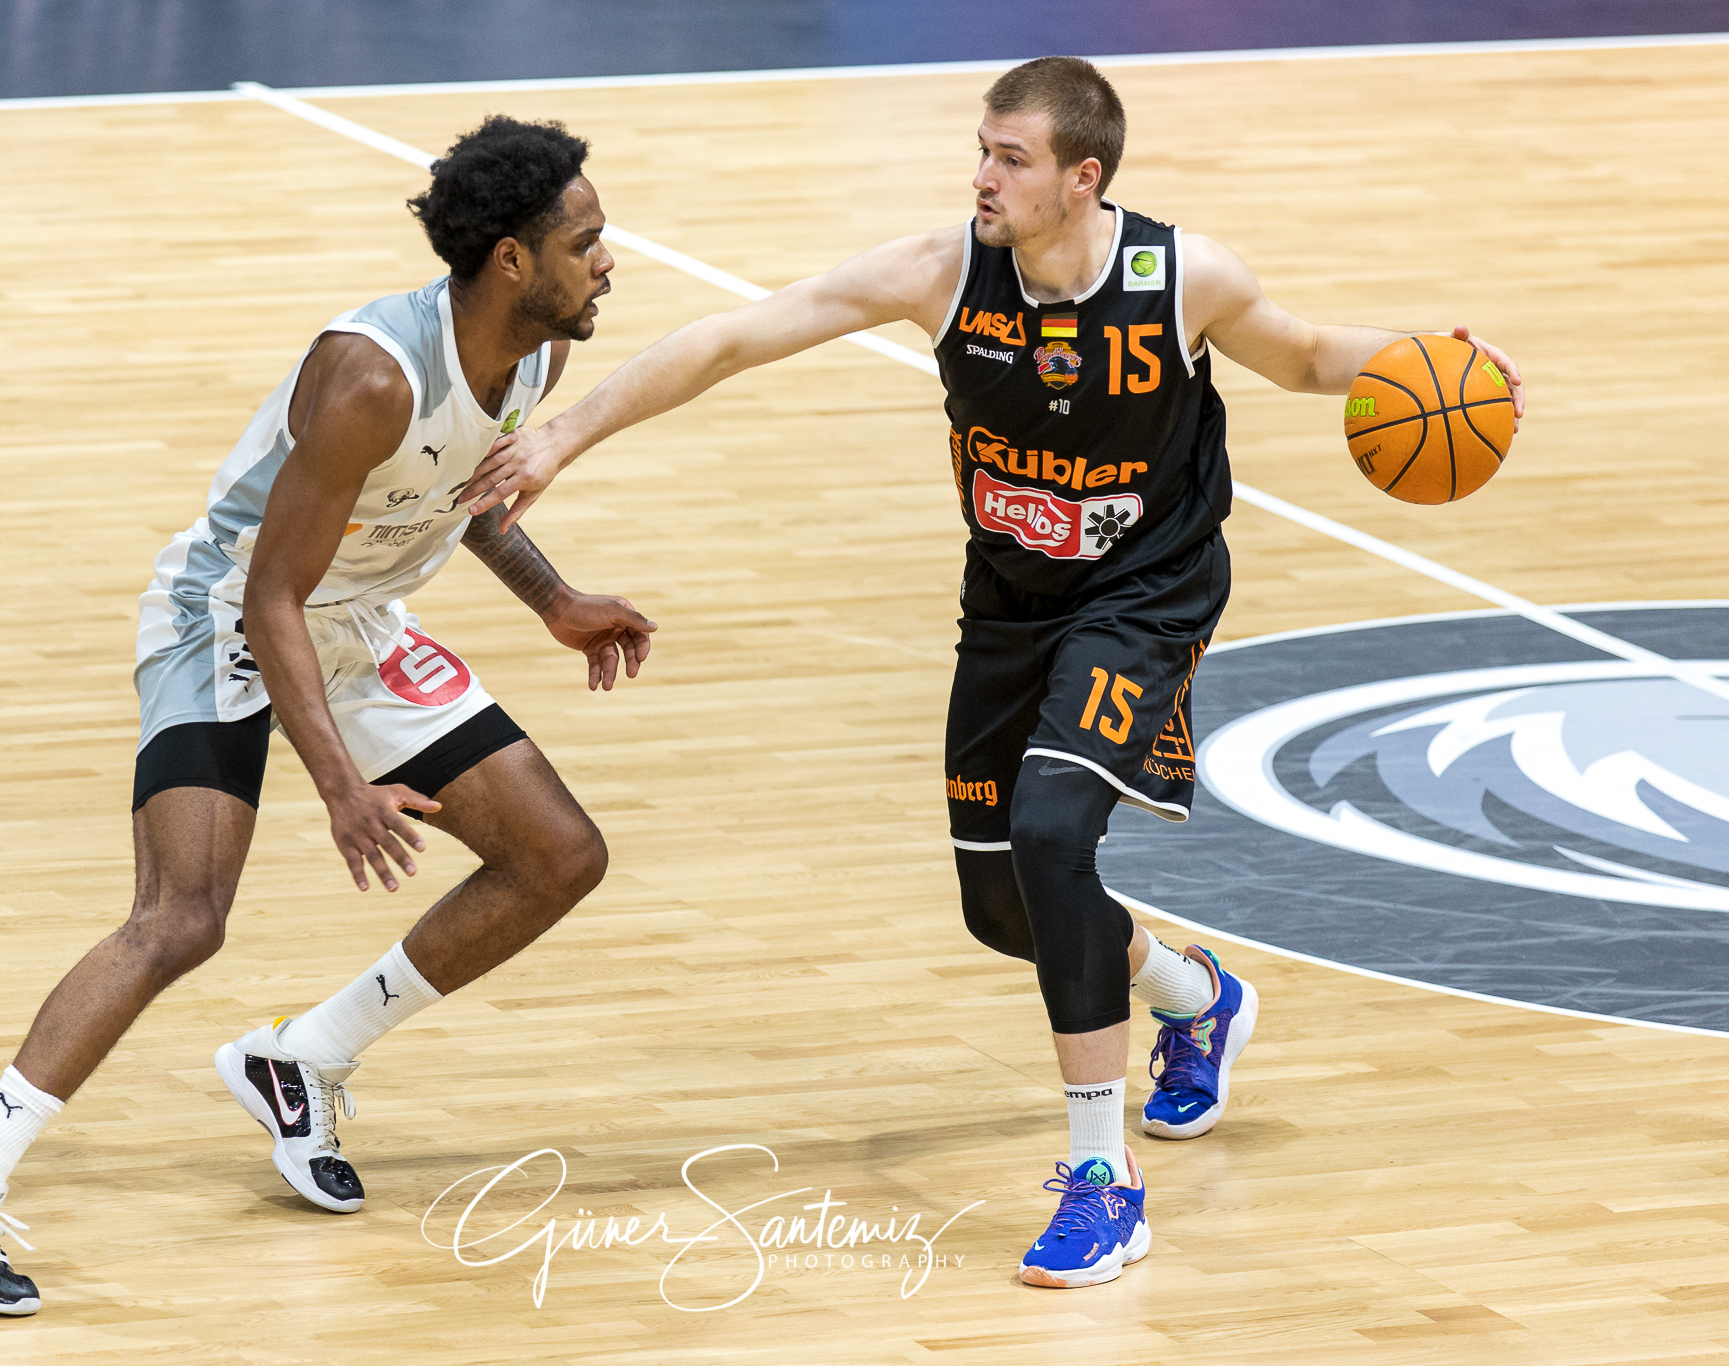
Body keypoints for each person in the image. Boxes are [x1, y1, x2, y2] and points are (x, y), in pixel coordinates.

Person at [459, 57, 1525, 1289]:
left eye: (1008, 158)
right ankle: (1194, 996)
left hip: (1142, 596)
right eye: (979, 148)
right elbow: (735, 337)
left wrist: (1426, 356)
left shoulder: (1181, 278)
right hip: (1010, 602)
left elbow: (1296, 357)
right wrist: (559, 434)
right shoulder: (940, 271)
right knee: (1000, 906)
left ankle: (1099, 1183)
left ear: (1081, 178)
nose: (979, 175)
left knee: (1054, 830)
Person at [0, 115, 656, 1316]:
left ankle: (303, 1058)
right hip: (226, 615)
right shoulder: (370, 374)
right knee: (181, 916)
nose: (609, 259)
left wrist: (553, 598)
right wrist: (340, 788)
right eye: (587, 240)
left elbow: (462, 491)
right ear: (508, 258)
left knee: (557, 855)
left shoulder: (534, 355)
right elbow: (270, 589)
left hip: (358, 619)